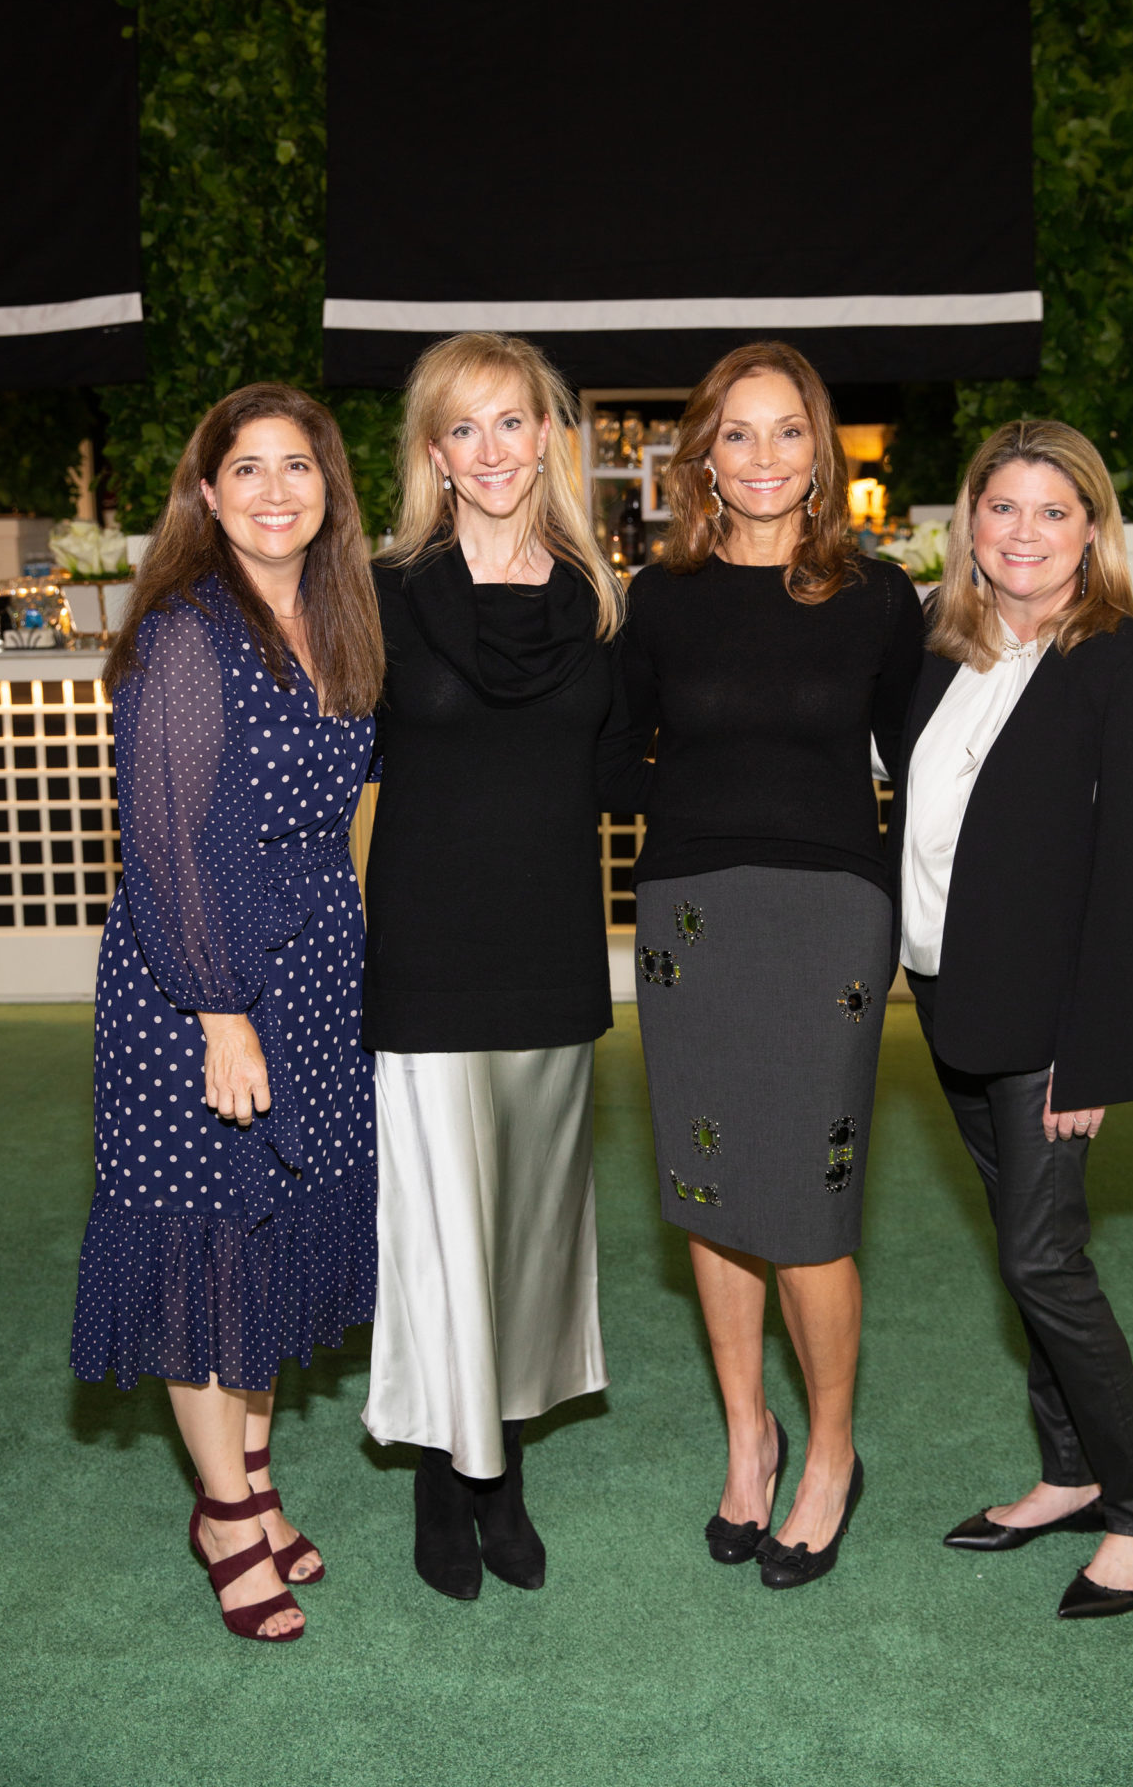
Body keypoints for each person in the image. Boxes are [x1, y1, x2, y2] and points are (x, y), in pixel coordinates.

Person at [71, 383, 383, 1643]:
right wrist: (217, 1008)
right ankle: (222, 1516)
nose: (272, 490)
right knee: (206, 1246)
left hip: (315, 966)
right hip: (194, 978)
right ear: (206, 493)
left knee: (273, 1232)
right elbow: (162, 842)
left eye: (296, 466)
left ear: (329, 489)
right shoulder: (186, 632)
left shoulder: (336, 618)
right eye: (244, 468)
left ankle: (251, 1479)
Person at [620, 340, 924, 1589]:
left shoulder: (879, 594)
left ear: (822, 450)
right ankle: (749, 1435)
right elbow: (608, 752)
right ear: (703, 452)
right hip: (689, 913)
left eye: (786, 430)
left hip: (829, 918)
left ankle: (833, 1451)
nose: (761, 455)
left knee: (805, 1202)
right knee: (708, 1183)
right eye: (734, 433)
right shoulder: (661, 594)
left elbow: (921, 768)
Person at [892, 417, 1133, 1621]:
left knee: (1040, 1257)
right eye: (1001, 507)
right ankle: (1067, 1473)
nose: (1023, 532)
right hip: (953, 994)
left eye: (1052, 510)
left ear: (1092, 530)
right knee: (1029, 1252)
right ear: (969, 522)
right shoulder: (939, 651)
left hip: (1055, 1027)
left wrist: (1093, 1049)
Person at [360, 331, 636, 1602]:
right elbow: (338, 777)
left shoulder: (596, 591)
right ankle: (440, 1473)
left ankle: (502, 1469)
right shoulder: (380, 587)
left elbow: (624, 769)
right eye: (461, 429)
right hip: (427, 952)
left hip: (548, 952)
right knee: (438, 1227)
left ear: (547, 435)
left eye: (511, 422)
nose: (490, 450)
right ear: (432, 452)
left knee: (528, 1227)